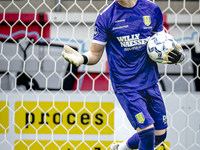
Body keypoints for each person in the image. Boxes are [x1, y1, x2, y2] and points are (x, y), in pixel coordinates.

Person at [62, 0, 185, 150]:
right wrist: (83, 58)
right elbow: (95, 53)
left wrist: (179, 56)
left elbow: (163, 46)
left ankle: (121, 148)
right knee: (147, 132)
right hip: (126, 86)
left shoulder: (152, 9)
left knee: (160, 134)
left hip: (150, 81)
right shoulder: (106, 17)